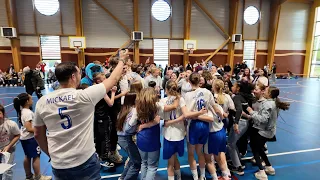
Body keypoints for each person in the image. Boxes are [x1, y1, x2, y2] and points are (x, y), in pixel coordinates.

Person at [33, 50, 128, 180]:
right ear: (73, 76)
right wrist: (122, 59)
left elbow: (38, 134)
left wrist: (50, 153)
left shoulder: (42, 102)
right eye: (79, 73)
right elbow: (113, 79)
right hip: (84, 160)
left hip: (59, 163)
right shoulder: (84, 96)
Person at [184, 73, 223, 180]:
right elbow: (215, 107)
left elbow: (186, 113)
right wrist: (221, 115)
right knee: (199, 151)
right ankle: (202, 175)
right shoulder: (207, 92)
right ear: (199, 81)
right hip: (205, 124)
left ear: (189, 82)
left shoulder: (188, 95)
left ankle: (196, 178)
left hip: (194, 124)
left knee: (191, 153)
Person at [246, 85, 290, 179]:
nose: (263, 92)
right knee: (260, 148)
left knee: (256, 150)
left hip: (263, 132)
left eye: (265, 90)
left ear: (269, 94)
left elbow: (263, 119)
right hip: (270, 131)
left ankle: (262, 172)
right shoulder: (274, 102)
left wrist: (251, 112)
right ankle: (269, 167)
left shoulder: (267, 104)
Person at [13, 93, 51, 180]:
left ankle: (29, 176)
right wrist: (41, 130)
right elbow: (29, 128)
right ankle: (38, 176)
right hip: (30, 138)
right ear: (27, 101)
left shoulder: (22, 111)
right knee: (36, 156)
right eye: (31, 99)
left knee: (27, 156)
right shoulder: (28, 113)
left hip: (24, 138)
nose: (32, 100)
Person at [117, 93, 141, 180]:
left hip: (120, 137)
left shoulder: (124, 109)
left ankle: (122, 177)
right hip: (126, 138)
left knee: (132, 159)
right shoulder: (134, 111)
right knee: (137, 162)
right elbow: (128, 128)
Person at [0, 104, 20, 180]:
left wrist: (8, 146)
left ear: (3, 114)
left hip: (9, 150)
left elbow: (17, 135)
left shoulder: (10, 124)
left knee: (7, 170)